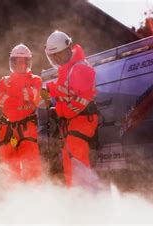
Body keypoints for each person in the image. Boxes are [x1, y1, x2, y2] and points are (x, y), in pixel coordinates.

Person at [43, 31, 98, 187]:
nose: (56, 59)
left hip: (81, 121)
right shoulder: (68, 68)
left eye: (58, 54)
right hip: (72, 123)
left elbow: (77, 102)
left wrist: (58, 111)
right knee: (69, 163)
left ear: (68, 49)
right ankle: (74, 198)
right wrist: (49, 90)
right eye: (53, 56)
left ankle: (84, 199)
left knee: (77, 162)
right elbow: (64, 89)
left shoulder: (80, 68)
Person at [0, 44, 42, 181]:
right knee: (8, 169)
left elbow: (36, 98)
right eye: (17, 62)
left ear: (28, 63)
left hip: (27, 128)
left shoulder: (36, 80)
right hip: (7, 130)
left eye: (23, 61)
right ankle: (11, 199)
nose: (20, 65)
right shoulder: (4, 81)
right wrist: (22, 97)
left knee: (31, 167)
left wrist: (11, 98)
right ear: (12, 63)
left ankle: (32, 197)